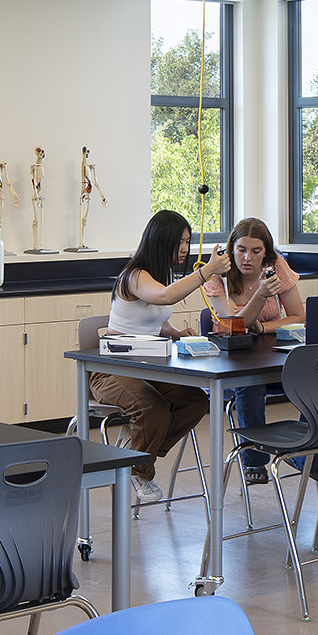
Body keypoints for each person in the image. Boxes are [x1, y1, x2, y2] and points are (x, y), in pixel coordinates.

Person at [91, 210, 212, 505]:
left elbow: (155, 318)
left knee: (195, 401)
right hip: (111, 371)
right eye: (179, 242)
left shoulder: (160, 276)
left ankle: (135, 450)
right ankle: (138, 469)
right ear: (161, 241)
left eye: (187, 241)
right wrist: (206, 271)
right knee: (152, 407)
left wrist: (176, 333)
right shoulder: (134, 275)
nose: (185, 248)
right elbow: (165, 298)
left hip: (148, 368)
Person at [201, 216, 306, 485]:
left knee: (316, 380)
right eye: (241, 250)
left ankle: (304, 456)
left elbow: (298, 316)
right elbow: (236, 325)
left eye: (256, 251)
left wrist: (262, 327)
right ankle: (254, 459)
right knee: (250, 384)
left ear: (266, 253)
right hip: (233, 362)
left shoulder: (276, 266)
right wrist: (260, 296)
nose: (247, 258)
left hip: (273, 355)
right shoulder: (218, 275)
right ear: (231, 249)